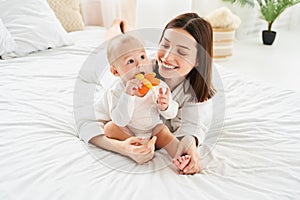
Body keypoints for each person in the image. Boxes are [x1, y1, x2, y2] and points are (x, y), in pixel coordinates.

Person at [84, 13, 215, 175]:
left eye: (181, 52)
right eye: (165, 45)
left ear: (198, 60)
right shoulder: (131, 73)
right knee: (116, 40)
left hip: (151, 128)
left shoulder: (198, 92)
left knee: (126, 39)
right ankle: (117, 24)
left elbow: (192, 127)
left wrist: (190, 150)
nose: (167, 57)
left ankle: (122, 25)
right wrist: (122, 148)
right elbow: (89, 124)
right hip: (115, 63)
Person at [102, 33, 191, 169]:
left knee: (164, 131)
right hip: (128, 131)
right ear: (115, 71)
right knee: (109, 128)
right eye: (130, 61)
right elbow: (120, 120)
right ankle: (138, 147)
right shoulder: (116, 91)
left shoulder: (157, 85)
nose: (140, 64)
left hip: (153, 130)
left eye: (142, 57)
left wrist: (166, 106)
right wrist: (128, 95)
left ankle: (180, 155)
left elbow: (171, 114)